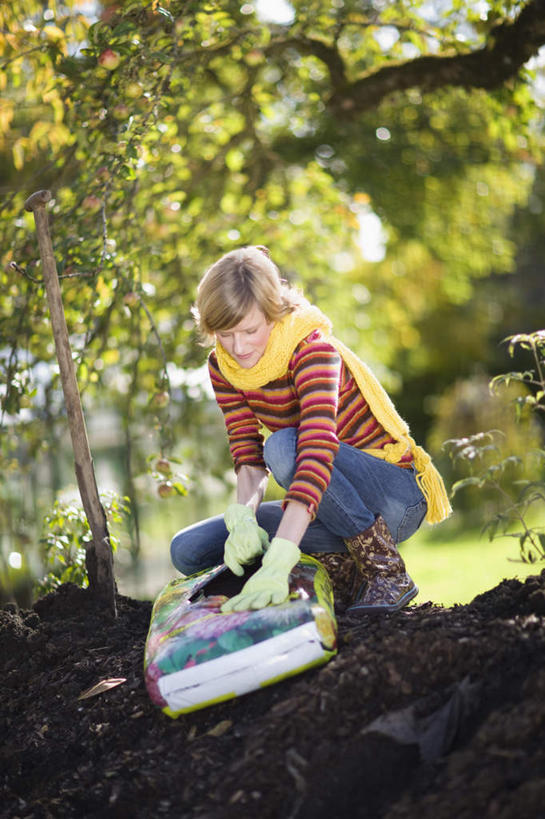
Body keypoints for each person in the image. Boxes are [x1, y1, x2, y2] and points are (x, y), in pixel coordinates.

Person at [170, 245, 451, 614]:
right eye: (225, 334)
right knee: (189, 549)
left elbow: (316, 448)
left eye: (249, 331)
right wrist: (242, 518)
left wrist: (281, 555)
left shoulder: (311, 349)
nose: (238, 347)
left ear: (272, 312)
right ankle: (344, 571)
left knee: (284, 447)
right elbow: (247, 451)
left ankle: (385, 572)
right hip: (324, 507)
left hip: (393, 497)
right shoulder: (223, 367)